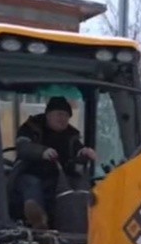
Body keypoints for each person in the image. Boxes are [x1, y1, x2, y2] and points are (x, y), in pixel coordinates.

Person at [9, 96, 98, 229]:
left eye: (66, 116)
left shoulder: (71, 134)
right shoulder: (30, 127)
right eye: (59, 114)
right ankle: (38, 219)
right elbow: (23, 147)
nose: (62, 119)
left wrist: (83, 152)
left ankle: (83, 221)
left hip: (57, 177)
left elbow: (76, 148)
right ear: (48, 114)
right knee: (32, 183)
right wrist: (41, 152)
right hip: (28, 172)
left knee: (79, 185)